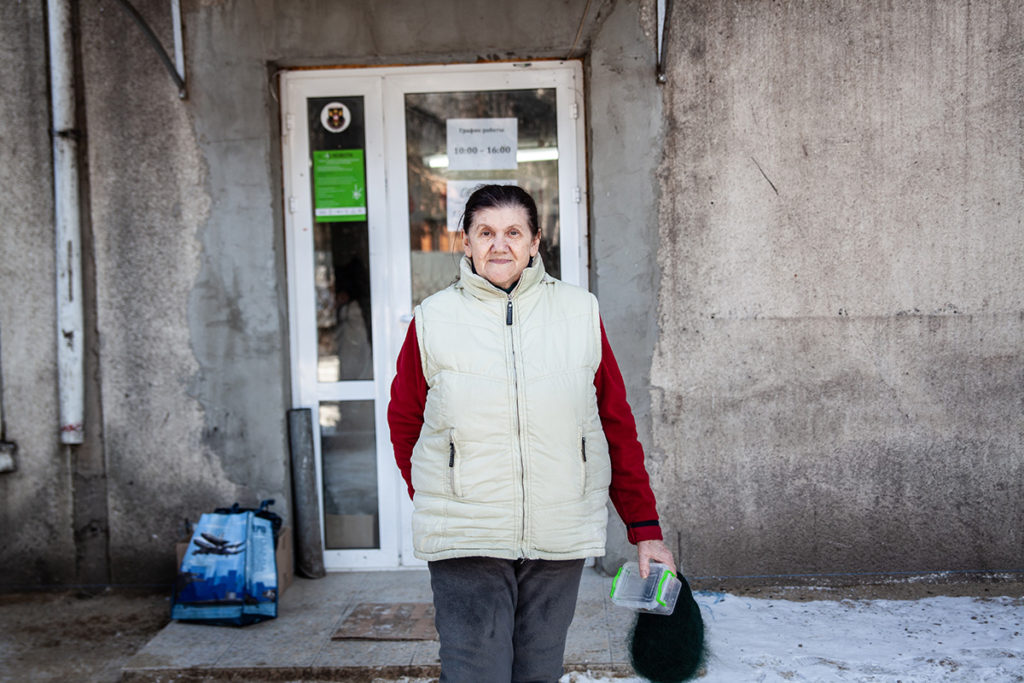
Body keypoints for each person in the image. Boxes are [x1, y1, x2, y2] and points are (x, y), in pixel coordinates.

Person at [387, 184, 675, 683]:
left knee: (538, 672)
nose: (500, 245)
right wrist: (440, 491)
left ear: (536, 241)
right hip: (467, 537)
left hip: (557, 532)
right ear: (466, 242)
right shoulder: (433, 320)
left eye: (513, 232)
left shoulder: (579, 312)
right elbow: (406, 421)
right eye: (485, 232)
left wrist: (644, 527)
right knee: (477, 672)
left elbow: (614, 423)